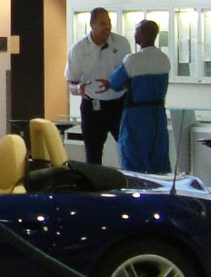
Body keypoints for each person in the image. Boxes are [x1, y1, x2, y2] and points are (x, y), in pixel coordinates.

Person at [94, 20, 170, 174]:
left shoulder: (132, 60)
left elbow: (115, 82)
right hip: (158, 115)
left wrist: (120, 84)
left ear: (141, 35)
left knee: (133, 158)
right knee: (158, 159)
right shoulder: (163, 58)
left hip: (136, 117)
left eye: (136, 31)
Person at [66, 8, 131, 165]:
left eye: (108, 23)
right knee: (93, 155)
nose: (107, 27)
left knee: (128, 149)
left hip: (118, 104)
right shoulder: (79, 49)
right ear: (92, 25)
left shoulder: (121, 43)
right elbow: (71, 83)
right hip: (92, 106)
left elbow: (130, 76)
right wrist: (78, 89)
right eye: (102, 23)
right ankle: (93, 188)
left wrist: (117, 85)